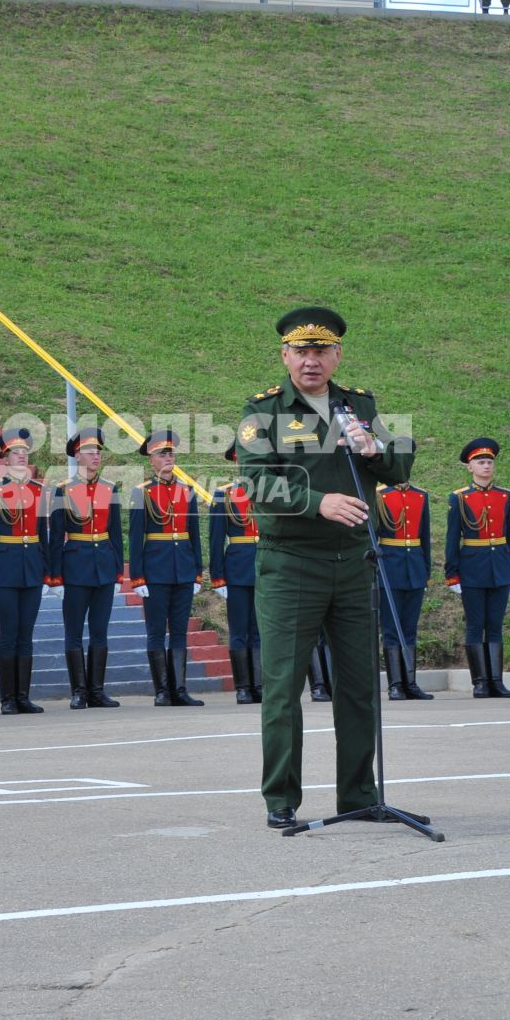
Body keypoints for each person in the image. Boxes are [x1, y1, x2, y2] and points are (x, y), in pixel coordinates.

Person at [239, 307, 414, 831]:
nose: (311, 361)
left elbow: (399, 467)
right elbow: (257, 485)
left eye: (321, 351)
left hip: (356, 561)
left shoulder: (359, 405)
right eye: (301, 351)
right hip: (292, 563)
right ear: (285, 356)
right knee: (283, 686)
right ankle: (281, 800)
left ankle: (359, 794)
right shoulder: (262, 412)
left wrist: (375, 447)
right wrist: (319, 501)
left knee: (360, 684)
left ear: (337, 355)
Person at [128, 428, 204, 708]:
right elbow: (135, 539)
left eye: (171, 452)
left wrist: (198, 570)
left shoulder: (187, 490)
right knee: (157, 631)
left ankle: (180, 689)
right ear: (151, 460)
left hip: (182, 568)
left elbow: (194, 534)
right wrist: (137, 576)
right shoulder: (142, 493)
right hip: (156, 570)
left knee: (181, 631)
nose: (169, 457)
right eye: (163, 453)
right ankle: (162, 690)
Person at [0, 427, 47, 714]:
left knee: (26, 634)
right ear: (4, 459)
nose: (21, 456)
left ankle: (23, 696)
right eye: (15, 452)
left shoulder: (38, 491)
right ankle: (7, 698)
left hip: (32, 568)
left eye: (25, 453)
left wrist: (49, 573)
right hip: (4, 567)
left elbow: (44, 535)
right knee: (8, 633)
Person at [47, 430, 121, 709]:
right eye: (90, 451)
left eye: (99, 451)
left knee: (100, 631)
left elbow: (115, 533)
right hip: (75, 566)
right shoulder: (63, 490)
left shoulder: (110, 488)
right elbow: (56, 537)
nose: (96, 456)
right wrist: (55, 577)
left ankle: (97, 690)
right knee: (74, 631)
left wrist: (117, 571)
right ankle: (79, 690)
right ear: (77, 456)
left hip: (103, 565)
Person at [445, 438, 510, 698]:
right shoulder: (460, 498)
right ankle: (479, 681)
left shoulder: (505, 496)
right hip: (472, 568)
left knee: (496, 625)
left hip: (499, 565)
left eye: (489, 462)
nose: (486, 466)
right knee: (476, 625)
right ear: (470, 467)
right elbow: (452, 538)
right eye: (480, 462)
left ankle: (496, 681)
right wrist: (451, 573)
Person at [208, 444, 261, 705]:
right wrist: (218, 577)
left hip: (267, 569)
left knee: (261, 630)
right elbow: (216, 539)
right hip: (238, 570)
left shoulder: (270, 493)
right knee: (240, 630)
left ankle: (261, 685)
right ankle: (243, 686)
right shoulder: (225, 495)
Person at [374, 479, 433, 700]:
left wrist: (425, 569)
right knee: (391, 629)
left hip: (414, 568)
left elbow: (424, 536)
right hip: (389, 568)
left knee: (410, 629)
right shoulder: (379, 495)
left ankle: (411, 683)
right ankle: (395, 685)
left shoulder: (420, 495)